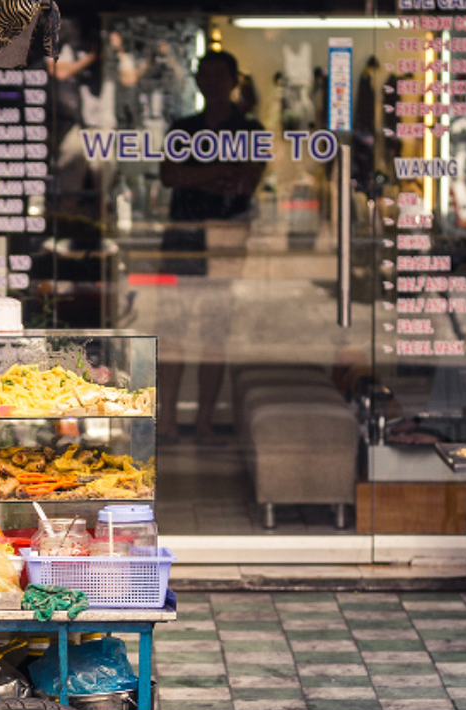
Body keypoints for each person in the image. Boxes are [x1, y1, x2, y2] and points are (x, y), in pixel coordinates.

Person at [154, 51, 265, 442]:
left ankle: (203, 422)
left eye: (219, 74)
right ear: (198, 81)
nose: (211, 81)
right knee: (172, 331)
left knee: (215, 334)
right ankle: (166, 419)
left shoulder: (251, 129)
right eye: (205, 74)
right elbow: (169, 175)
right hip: (182, 237)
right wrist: (219, 171)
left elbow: (246, 182)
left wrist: (195, 176)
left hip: (226, 240)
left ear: (234, 80)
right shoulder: (183, 127)